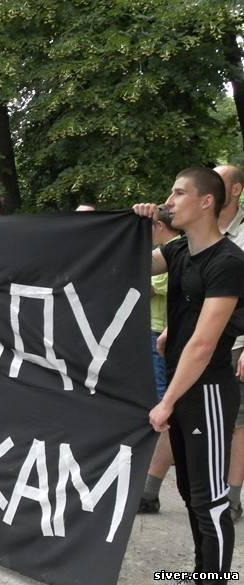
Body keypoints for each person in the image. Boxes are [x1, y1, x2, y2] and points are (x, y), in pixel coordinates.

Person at [133, 166, 244, 584]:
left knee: (209, 499)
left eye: (179, 193)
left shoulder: (229, 262)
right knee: (189, 493)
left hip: (208, 391)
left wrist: (167, 401)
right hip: (184, 388)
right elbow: (137, 265)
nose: (169, 200)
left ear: (206, 201)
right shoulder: (180, 250)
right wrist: (140, 227)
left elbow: (203, 344)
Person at [138, 205, 181, 514]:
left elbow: (153, 288)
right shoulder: (168, 250)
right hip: (154, 330)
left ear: (159, 227)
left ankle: (161, 455)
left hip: (160, 331)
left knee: (163, 399)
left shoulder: (174, 251)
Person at [215, 164, 244, 521]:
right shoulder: (201, 229)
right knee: (176, 410)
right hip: (201, 340)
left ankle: (232, 499)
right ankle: (149, 489)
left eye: (218, 181)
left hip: (237, 342)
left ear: (235, 190)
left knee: (238, 422)